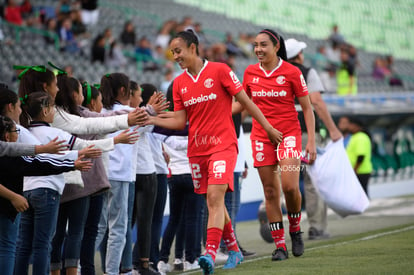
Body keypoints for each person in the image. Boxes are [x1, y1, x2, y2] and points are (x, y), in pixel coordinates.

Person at [148, 30, 282, 274]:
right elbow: (179, 121)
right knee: (213, 202)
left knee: (213, 198)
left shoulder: (220, 70)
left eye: (178, 51)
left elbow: (247, 102)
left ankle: (209, 251)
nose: (175, 56)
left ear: (193, 47)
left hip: (223, 145)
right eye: (172, 53)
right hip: (197, 151)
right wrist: (150, 118)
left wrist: (268, 128)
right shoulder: (178, 83)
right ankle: (233, 249)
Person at [242, 29, 316, 261]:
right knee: (271, 191)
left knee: (290, 187)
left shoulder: (292, 72)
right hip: (261, 137)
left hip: (289, 136)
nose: (258, 50)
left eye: (263, 45)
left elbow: (307, 107)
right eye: (255, 45)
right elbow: (242, 104)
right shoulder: (250, 72)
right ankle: (280, 246)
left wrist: (311, 141)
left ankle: (295, 229)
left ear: (276, 47)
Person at [285, 38, 343, 240]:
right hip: (304, 133)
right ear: (299, 55)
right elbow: (316, 102)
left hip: (281, 134)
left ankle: (269, 214)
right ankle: (316, 227)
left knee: (281, 178)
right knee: (312, 180)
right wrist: (333, 130)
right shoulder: (307, 72)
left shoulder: (275, 72)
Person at [342, 116, 373, 197]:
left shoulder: (360, 137)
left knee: (362, 194)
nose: (349, 127)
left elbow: (361, 156)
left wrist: (355, 169)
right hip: (359, 170)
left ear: (356, 126)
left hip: (361, 171)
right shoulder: (355, 136)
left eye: (350, 125)